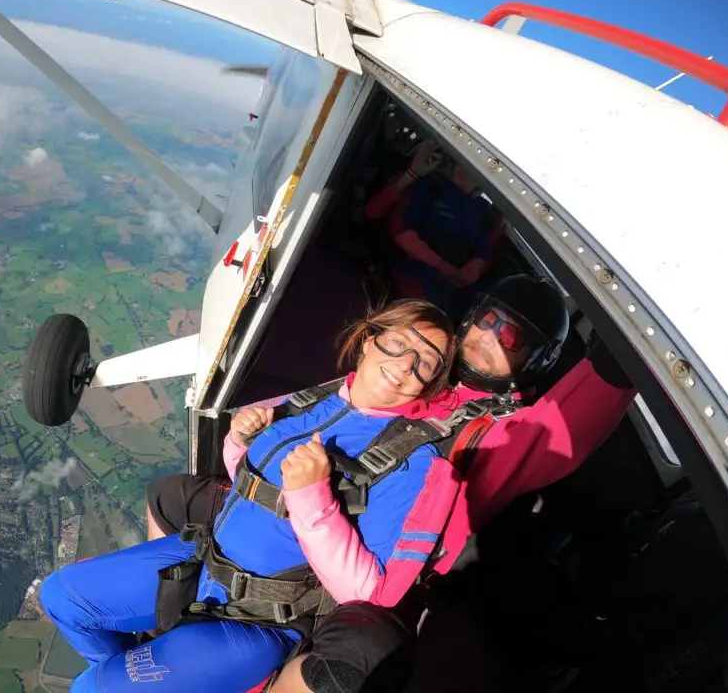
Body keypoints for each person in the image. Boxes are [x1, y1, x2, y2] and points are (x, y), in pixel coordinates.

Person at [145, 275, 637, 693]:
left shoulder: (499, 435)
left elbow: (571, 422)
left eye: (512, 338)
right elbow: (316, 408)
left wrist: (627, 352)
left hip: (362, 563)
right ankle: (159, 627)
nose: (492, 335)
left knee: (367, 649)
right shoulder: (416, 370)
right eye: (488, 319)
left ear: (533, 362)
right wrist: (245, 442)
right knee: (170, 495)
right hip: (297, 510)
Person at [40, 300, 472, 693]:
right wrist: (240, 441)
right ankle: (129, 675)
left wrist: (312, 498)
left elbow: (366, 588)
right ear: (367, 340)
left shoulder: (413, 462)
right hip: (206, 561)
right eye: (398, 342)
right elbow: (253, 486)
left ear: (431, 383)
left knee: (89, 689)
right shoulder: (316, 399)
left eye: (426, 363)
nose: (405, 364)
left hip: (265, 618)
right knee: (60, 597)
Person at [364, 139, 506, 319]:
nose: (465, 169)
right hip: (414, 276)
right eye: (463, 161)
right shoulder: (431, 186)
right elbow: (401, 230)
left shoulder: (483, 210)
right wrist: (440, 265)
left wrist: (471, 270)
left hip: (453, 288)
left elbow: (483, 250)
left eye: (474, 169)